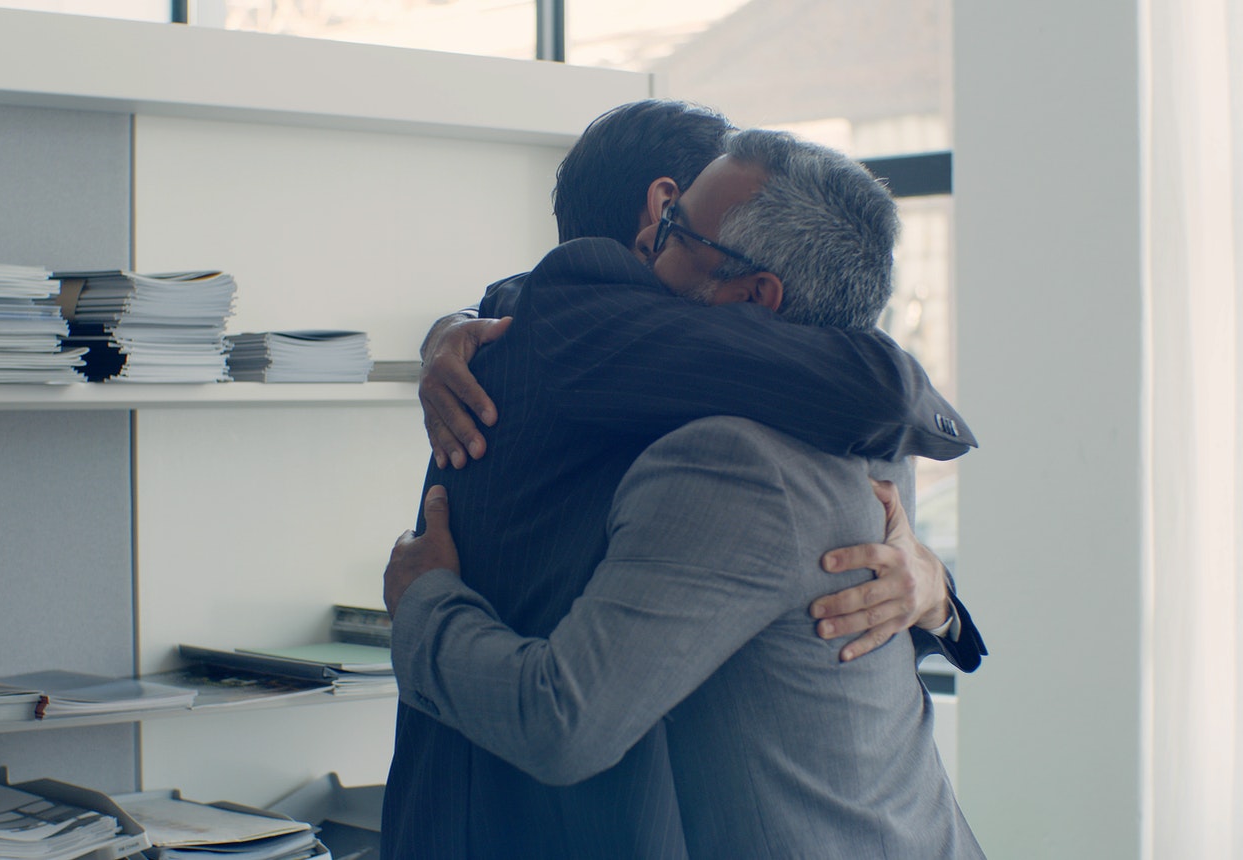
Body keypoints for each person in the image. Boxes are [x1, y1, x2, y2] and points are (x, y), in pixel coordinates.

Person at [381, 103, 982, 860]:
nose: (650, 236)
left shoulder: (758, 437)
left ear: (752, 291)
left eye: (676, 226)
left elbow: (568, 721)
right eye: (667, 217)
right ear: (654, 196)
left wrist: (936, 595)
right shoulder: (827, 411)